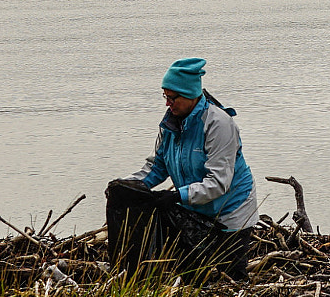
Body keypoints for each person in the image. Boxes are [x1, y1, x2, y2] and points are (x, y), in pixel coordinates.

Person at [105, 57, 258, 281]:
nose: (167, 103)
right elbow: (156, 167)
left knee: (231, 278)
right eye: (165, 96)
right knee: (191, 275)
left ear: (190, 95)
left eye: (172, 97)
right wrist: (127, 186)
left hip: (231, 213)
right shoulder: (170, 124)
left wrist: (177, 195)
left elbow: (218, 183)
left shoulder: (219, 124)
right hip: (195, 207)